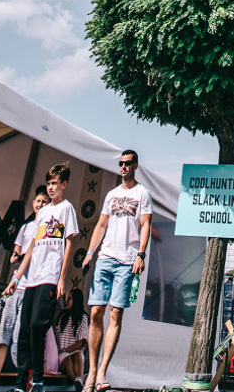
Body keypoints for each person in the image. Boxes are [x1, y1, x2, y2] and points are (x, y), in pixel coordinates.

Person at [82, 149, 152, 392]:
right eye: (121, 163)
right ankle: (91, 372)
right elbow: (101, 224)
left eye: (127, 163)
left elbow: (145, 225)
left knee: (115, 314)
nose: (123, 167)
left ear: (135, 166)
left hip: (127, 259)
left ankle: (102, 371)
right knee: (95, 312)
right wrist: (90, 253)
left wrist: (141, 254)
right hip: (106, 257)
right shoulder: (111, 195)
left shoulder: (142, 193)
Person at [4, 163, 78, 392]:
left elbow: (68, 243)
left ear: (64, 184)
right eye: (49, 183)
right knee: (24, 329)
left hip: (50, 276)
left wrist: (62, 278)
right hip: (31, 278)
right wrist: (15, 280)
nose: (51, 187)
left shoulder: (67, 209)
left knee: (38, 325)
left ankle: (38, 379)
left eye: (55, 183)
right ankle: (20, 383)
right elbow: (32, 247)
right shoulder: (43, 213)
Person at [0, 187, 50, 392]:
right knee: (4, 333)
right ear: (33, 203)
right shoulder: (25, 228)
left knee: (26, 335)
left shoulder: (51, 229)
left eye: (44, 202)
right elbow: (15, 255)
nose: (40, 205)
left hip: (35, 287)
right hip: (17, 286)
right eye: (38, 201)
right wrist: (18, 257)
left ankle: (25, 379)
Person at [54, 289, 88, 392]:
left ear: (76, 301)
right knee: (67, 360)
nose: (67, 301)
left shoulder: (83, 318)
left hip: (73, 353)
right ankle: (79, 386)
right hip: (62, 356)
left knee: (77, 354)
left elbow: (81, 342)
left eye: (69, 299)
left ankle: (78, 381)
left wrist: (66, 350)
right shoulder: (62, 317)